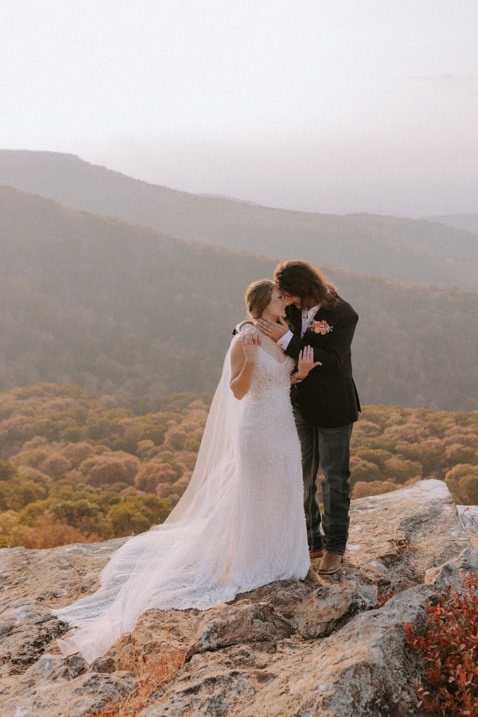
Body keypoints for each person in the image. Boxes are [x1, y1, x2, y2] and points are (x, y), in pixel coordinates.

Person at [53, 280, 318, 663]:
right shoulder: (244, 338)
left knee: (285, 488)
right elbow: (240, 390)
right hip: (258, 429)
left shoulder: (283, 335)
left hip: (284, 429)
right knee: (255, 494)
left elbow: (281, 380)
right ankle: (254, 559)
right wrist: (245, 357)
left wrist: (303, 373)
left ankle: (285, 555)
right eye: (279, 297)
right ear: (262, 304)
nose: (285, 301)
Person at [257, 260, 360, 577]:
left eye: (288, 295)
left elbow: (332, 359)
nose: (285, 301)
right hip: (298, 403)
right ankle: (311, 541)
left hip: (334, 407)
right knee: (300, 477)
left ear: (303, 289)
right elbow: (262, 320)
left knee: (334, 480)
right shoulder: (288, 310)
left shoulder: (343, 314)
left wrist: (288, 340)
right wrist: (246, 332)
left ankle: (334, 548)